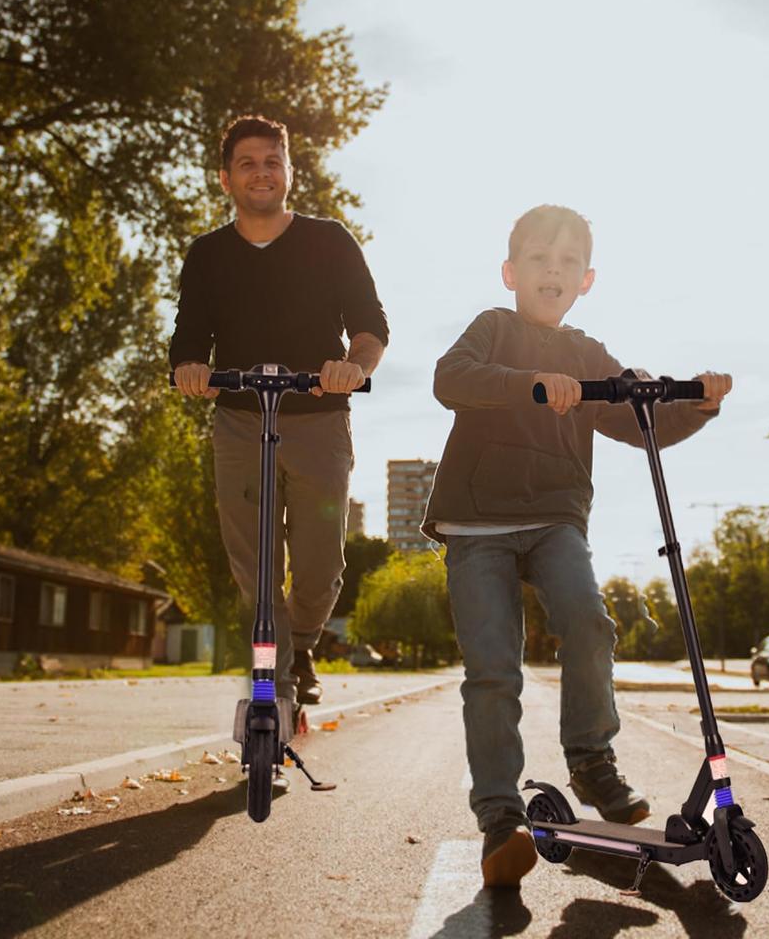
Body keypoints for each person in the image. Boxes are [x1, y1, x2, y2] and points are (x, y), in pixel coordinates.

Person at [421, 204, 732, 888]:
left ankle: (591, 760)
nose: (552, 270)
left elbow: (637, 419)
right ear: (511, 272)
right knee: (494, 671)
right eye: (539, 258)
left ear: (586, 279)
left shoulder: (588, 352)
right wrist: (532, 385)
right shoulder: (493, 329)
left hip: (557, 518)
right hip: (478, 523)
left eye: (566, 262)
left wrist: (695, 403)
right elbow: (452, 380)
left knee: (590, 621)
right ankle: (500, 819)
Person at [170, 114, 388, 712]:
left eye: (272, 161)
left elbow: (371, 327)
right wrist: (190, 368)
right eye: (247, 163)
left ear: (289, 171)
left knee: (321, 565)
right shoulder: (208, 254)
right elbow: (188, 339)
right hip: (240, 421)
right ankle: (275, 693)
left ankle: (303, 644)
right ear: (225, 179)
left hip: (318, 417)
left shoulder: (329, 240)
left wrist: (355, 366)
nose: (261, 172)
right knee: (257, 571)